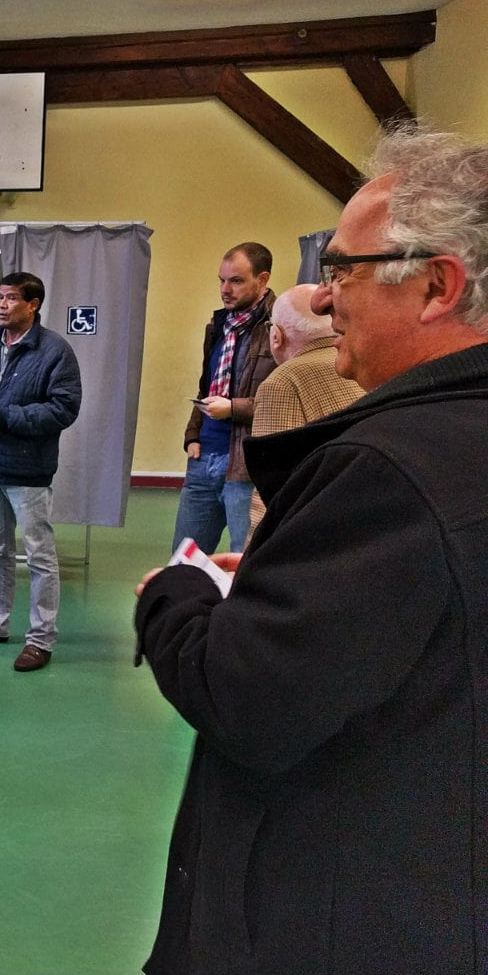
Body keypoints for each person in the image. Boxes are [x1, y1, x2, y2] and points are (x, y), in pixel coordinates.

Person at [132, 125, 488, 975]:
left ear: (438, 284)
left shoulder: (388, 471)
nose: (323, 302)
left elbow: (245, 694)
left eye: (342, 271)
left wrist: (174, 594)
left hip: (343, 911)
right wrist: (287, 582)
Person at [0, 272, 82, 672]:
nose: (2, 305)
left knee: (40, 556)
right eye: (0, 298)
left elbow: (64, 409)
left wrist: (5, 418)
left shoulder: (56, 351)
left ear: (33, 304)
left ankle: (41, 639)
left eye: (11, 299)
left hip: (29, 473)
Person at [171, 243, 278, 554]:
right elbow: (208, 384)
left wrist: (233, 408)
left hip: (245, 465)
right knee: (183, 562)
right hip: (203, 459)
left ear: (263, 279)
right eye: (221, 280)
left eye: (236, 281)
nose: (225, 289)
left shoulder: (279, 328)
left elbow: (279, 400)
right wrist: (193, 436)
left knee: (245, 562)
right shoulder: (220, 326)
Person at [244, 283, 366, 540]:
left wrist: (249, 564)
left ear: (276, 335)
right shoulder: (364, 364)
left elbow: (272, 492)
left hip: (316, 535)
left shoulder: (284, 382)